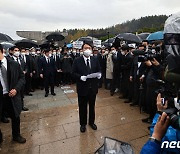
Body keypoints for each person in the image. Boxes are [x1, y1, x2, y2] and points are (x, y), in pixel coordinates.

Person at [72, 42, 101, 133]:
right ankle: (83, 124)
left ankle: (91, 122)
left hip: (93, 88)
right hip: (82, 88)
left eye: (89, 48)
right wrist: (80, 77)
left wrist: (100, 75)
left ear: (91, 50)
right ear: (82, 50)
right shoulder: (77, 60)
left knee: (92, 106)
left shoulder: (95, 59)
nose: (87, 50)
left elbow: (99, 69)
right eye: (85, 48)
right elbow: (73, 73)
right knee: (82, 107)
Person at [0, 44, 26, 143]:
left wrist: (16, 89)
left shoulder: (13, 64)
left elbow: (22, 78)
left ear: (2, 51)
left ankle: (16, 135)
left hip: (11, 96)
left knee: (15, 117)